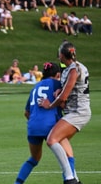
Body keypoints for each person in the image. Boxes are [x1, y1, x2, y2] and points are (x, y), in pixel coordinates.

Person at [14, 62, 76, 184]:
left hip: (33, 127)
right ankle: (69, 181)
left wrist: (37, 122)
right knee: (69, 156)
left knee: (34, 159)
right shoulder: (58, 84)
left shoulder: (35, 87)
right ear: (58, 74)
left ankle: (17, 183)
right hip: (51, 126)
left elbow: (26, 112)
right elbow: (63, 101)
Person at [40, 42, 90, 184]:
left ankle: (69, 179)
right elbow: (66, 92)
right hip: (74, 111)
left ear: (62, 55)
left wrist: (49, 105)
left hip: (78, 112)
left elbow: (63, 97)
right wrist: (59, 91)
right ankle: (75, 180)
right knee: (62, 143)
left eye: (59, 54)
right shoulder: (73, 67)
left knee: (51, 140)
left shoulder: (74, 69)